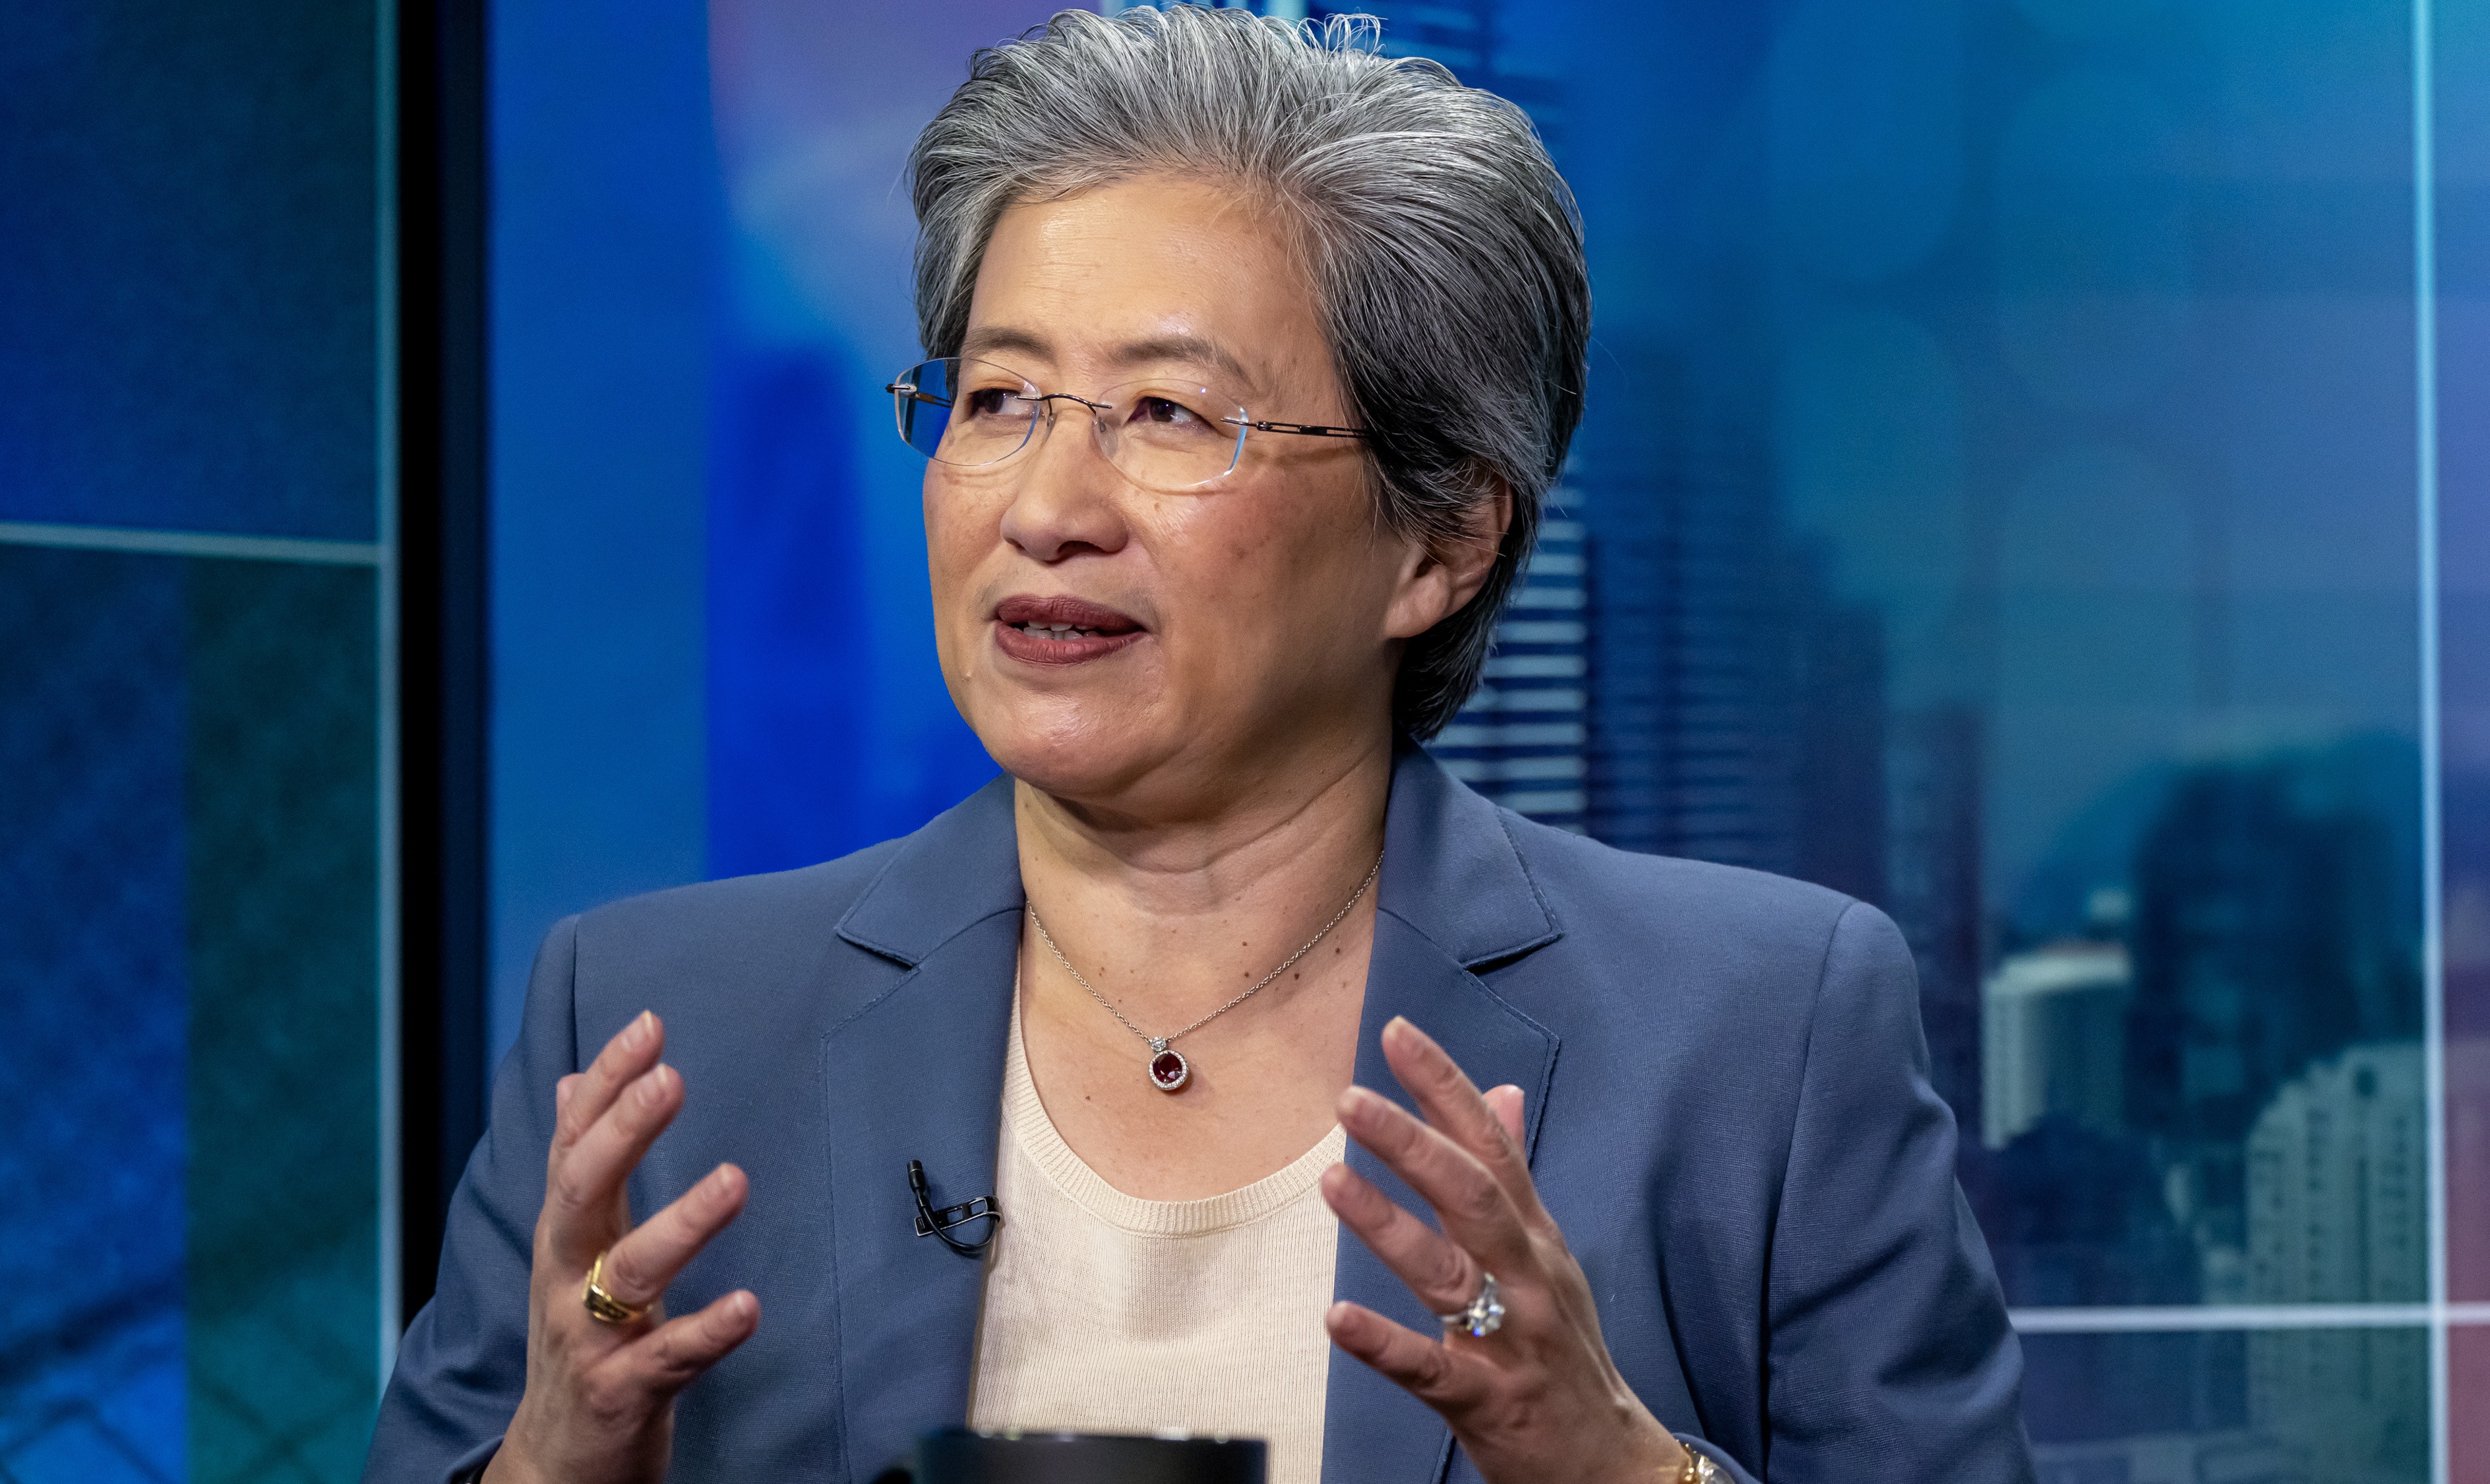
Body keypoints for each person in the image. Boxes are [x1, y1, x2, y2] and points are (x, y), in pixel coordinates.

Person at [364, 9, 2033, 1483]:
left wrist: (1619, 1472)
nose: (1045, 507)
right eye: (996, 399)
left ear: (1438, 540)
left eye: (1167, 414)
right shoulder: (654, 1028)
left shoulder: (1752, 1036)